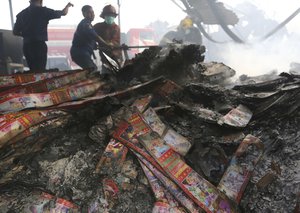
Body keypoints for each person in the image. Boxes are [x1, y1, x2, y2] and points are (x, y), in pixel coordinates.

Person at [13, 0, 73, 72]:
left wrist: (26, 34)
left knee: (33, 71)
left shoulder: (21, 14)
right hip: (39, 46)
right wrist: (68, 6)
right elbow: (63, 12)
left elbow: (15, 32)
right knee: (40, 71)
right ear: (41, 1)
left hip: (27, 46)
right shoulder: (43, 11)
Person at [71, 5, 111, 71]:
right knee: (93, 70)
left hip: (83, 53)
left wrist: (103, 47)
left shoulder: (89, 25)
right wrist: (107, 45)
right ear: (84, 14)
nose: (92, 14)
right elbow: (96, 37)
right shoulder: (85, 24)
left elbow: (94, 44)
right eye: (89, 12)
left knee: (92, 69)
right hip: (80, 53)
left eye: (93, 12)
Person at [93, 5, 123, 73]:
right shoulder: (98, 26)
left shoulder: (116, 28)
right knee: (106, 74)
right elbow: (91, 35)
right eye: (108, 15)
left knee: (117, 74)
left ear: (114, 16)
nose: (110, 17)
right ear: (104, 16)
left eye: (111, 15)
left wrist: (109, 44)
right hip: (104, 57)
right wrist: (93, 44)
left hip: (116, 57)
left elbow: (115, 41)